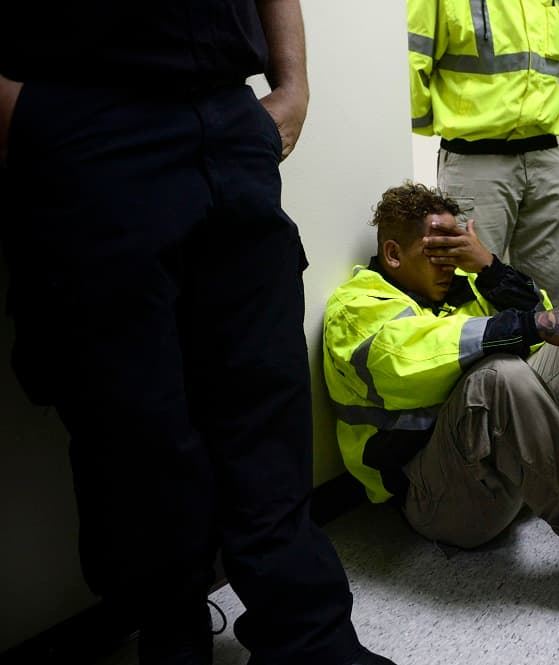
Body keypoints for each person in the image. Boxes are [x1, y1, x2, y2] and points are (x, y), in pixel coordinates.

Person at [0, 3, 394, 664]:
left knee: (269, 409)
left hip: (224, 114)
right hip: (80, 119)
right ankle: (171, 632)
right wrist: (30, 117)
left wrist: (293, 90)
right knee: (131, 430)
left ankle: (310, 638)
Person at [322, 182, 559, 627]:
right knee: (499, 375)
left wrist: (488, 267)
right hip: (440, 502)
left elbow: (544, 317)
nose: (449, 263)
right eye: (437, 250)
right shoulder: (356, 307)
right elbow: (411, 356)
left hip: (501, 469)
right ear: (393, 254)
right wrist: (527, 325)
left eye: (455, 248)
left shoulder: (464, 286)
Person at [407, 0, 559, 305]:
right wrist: (447, 124)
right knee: (472, 291)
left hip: (546, 156)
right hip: (476, 160)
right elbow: (413, 59)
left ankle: (550, 356)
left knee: (552, 292)